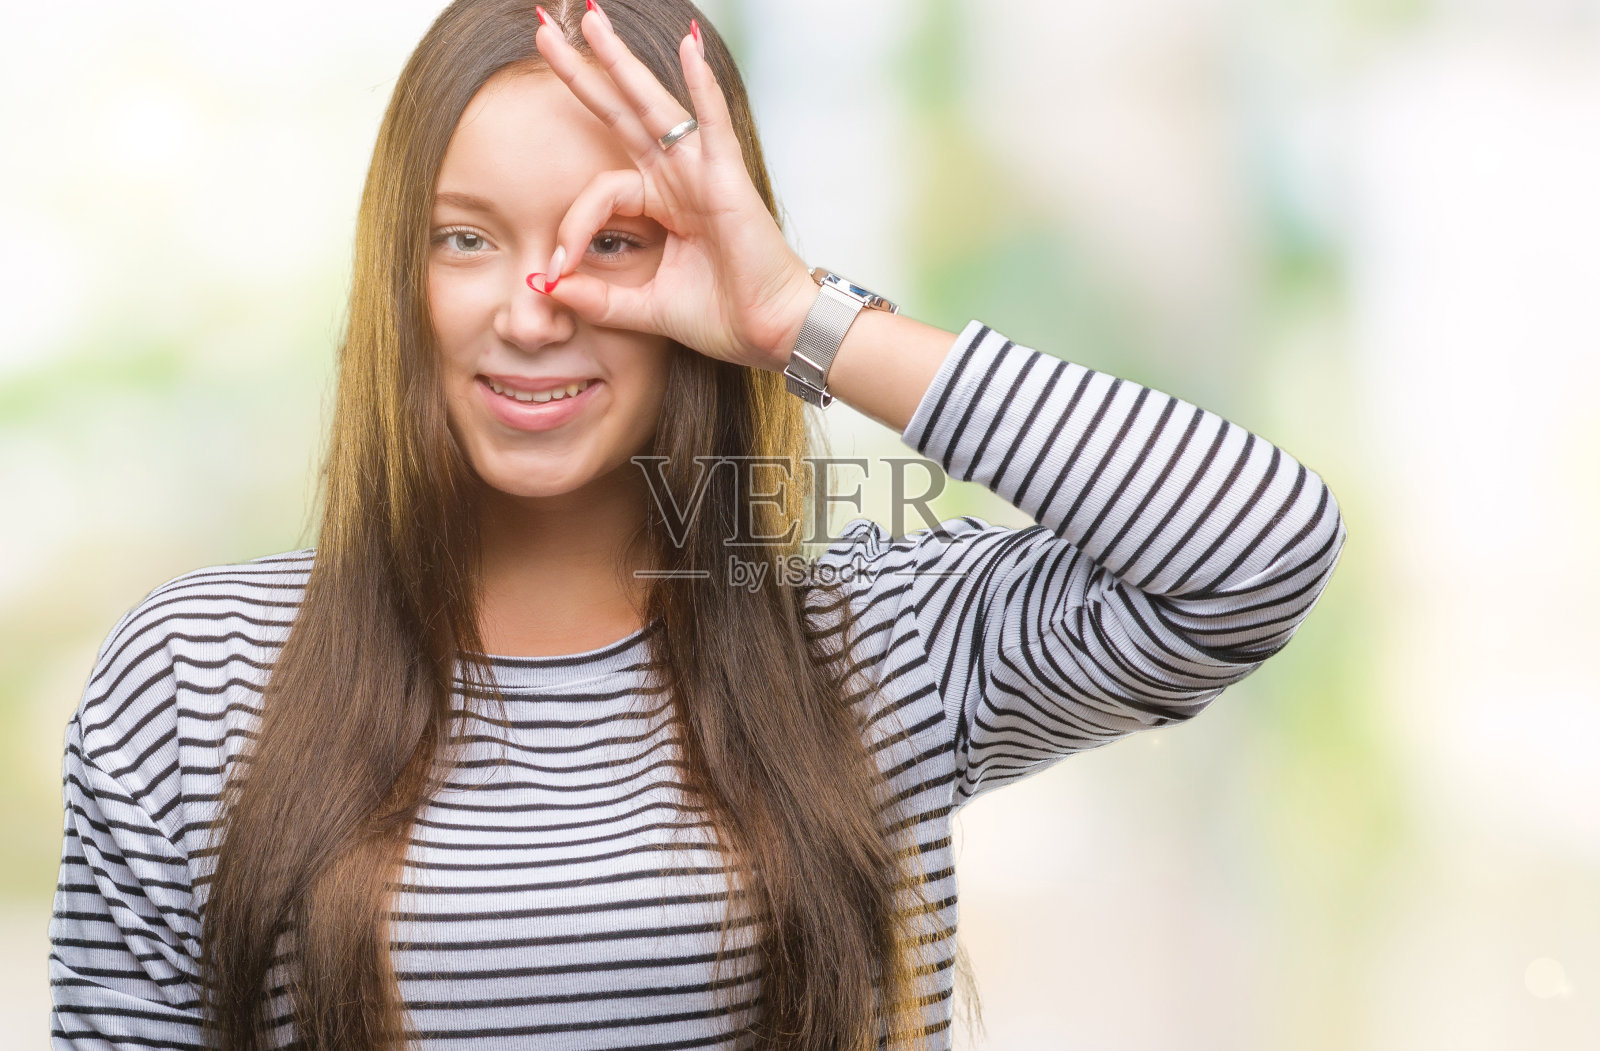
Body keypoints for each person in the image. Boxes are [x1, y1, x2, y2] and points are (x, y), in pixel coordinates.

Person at [47, 1, 1348, 1049]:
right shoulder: (193, 676)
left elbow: (1257, 549)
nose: (533, 309)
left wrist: (799, 317)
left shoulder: (877, 645)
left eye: (614, 241)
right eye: (464, 239)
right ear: (398, 273)